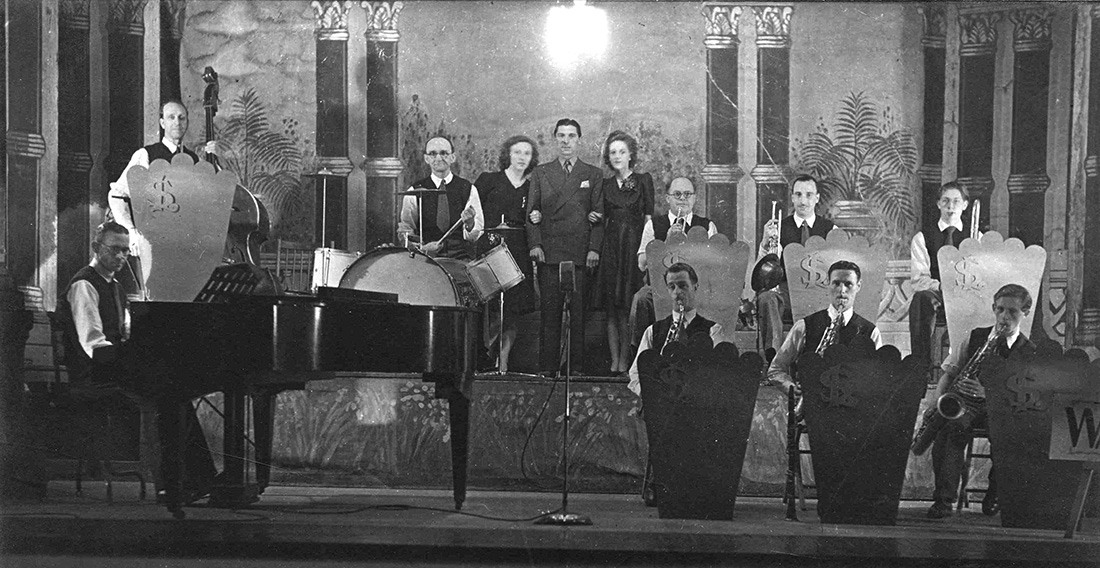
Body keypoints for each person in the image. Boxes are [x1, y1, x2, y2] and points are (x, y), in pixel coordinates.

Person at [59, 221, 218, 506]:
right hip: (92, 375)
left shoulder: (116, 287)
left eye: (125, 251)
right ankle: (170, 486)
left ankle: (198, 480)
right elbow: (93, 343)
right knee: (162, 396)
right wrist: (131, 361)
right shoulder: (85, 285)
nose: (121, 256)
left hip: (110, 369)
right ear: (96, 248)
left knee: (176, 393)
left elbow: (123, 336)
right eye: (114, 250)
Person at [926, 284, 1036, 519]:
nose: (1004, 317)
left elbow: (1025, 396)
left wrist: (989, 394)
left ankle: (996, 492)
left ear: (1025, 312)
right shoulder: (976, 336)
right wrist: (936, 404)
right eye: (1000, 309)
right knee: (950, 429)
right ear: (993, 308)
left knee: (1009, 436)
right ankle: (943, 499)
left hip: (1003, 410)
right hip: (966, 406)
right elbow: (949, 373)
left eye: (1012, 311)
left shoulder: (1030, 351)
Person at [526, 118, 604, 376]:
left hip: (580, 254)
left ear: (579, 140)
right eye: (561, 136)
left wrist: (594, 249)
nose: (566, 141)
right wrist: (535, 244)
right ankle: (547, 369)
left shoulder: (593, 174)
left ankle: (576, 369)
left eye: (571, 136)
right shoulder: (541, 172)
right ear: (555, 139)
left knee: (578, 315)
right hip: (549, 253)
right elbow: (531, 213)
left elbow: (599, 216)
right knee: (550, 315)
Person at [749, 174, 836, 357]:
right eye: (798, 195)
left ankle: (817, 359)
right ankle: (775, 357)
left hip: (818, 294)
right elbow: (761, 276)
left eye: (809, 195)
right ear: (792, 198)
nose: (803, 201)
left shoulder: (830, 229)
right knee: (766, 298)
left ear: (817, 198)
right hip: (786, 294)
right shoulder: (778, 228)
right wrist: (765, 243)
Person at [766, 260, 883, 395]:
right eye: (836, 283)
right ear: (828, 283)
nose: (842, 290)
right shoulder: (803, 326)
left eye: (848, 284)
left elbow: (878, 379)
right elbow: (775, 369)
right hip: (812, 403)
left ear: (858, 286)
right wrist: (791, 388)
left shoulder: (871, 332)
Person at [474, 135, 539, 373]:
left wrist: (537, 216)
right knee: (491, 308)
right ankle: (484, 358)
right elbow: (473, 214)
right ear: (508, 155)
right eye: (517, 152)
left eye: (527, 153)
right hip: (490, 250)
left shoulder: (532, 188)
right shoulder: (488, 180)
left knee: (512, 310)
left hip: (519, 252)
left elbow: (537, 216)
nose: (522, 157)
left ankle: (503, 361)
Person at [592, 131, 654, 375]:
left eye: (622, 152)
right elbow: (600, 216)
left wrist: (644, 253)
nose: (617, 156)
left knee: (629, 306)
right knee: (612, 307)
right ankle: (614, 360)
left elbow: (648, 219)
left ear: (630, 155)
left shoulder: (643, 181)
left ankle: (628, 360)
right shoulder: (605, 184)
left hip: (634, 248)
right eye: (612, 152)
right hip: (611, 248)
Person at [107, 100, 219, 230]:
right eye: (171, 117)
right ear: (162, 123)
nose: (177, 122)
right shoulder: (146, 154)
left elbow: (214, 194)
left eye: (182, 118)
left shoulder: (195, 159)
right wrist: (130, 230)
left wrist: (216, 158)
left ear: (187, 122)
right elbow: (118, 194)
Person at [627, 262, 724, 397]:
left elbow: (720, 373)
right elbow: (635, 373)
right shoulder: (652, 331)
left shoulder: (713, 330)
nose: (677, 292)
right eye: (671, 287)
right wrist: (651, 395)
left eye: (683, 286)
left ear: (695, 286)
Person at [909, 181, 972, 374]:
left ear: (965, 205)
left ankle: (970, 368)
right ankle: (921, 368)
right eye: (945, 201)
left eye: (956, 201)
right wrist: (943, 287)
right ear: (938, 204)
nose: (950, 206)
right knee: (921, 299)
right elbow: (918, 280)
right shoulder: (922, 238)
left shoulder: (975, 235)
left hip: (967, 295)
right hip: (938, 294)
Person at [398, 136, 485, 260]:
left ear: (452, 157)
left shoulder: (468, 189)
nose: (438, 158)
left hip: (460, 259)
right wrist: (422, 248)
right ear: (426, 159)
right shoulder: (413, 191)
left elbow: (475, 236)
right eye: (433, 154)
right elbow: (406, 231)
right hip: (426, 260)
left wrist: (470, 224)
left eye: (444, 153)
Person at [635, 177, 718, 273]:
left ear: (694, 198)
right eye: (677, 194)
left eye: (687, 194)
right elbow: (642, 264)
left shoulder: (708, 226)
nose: (682, 198)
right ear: (667, 198)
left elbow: (716, 263)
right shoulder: (652, 224)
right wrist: (666, 242)